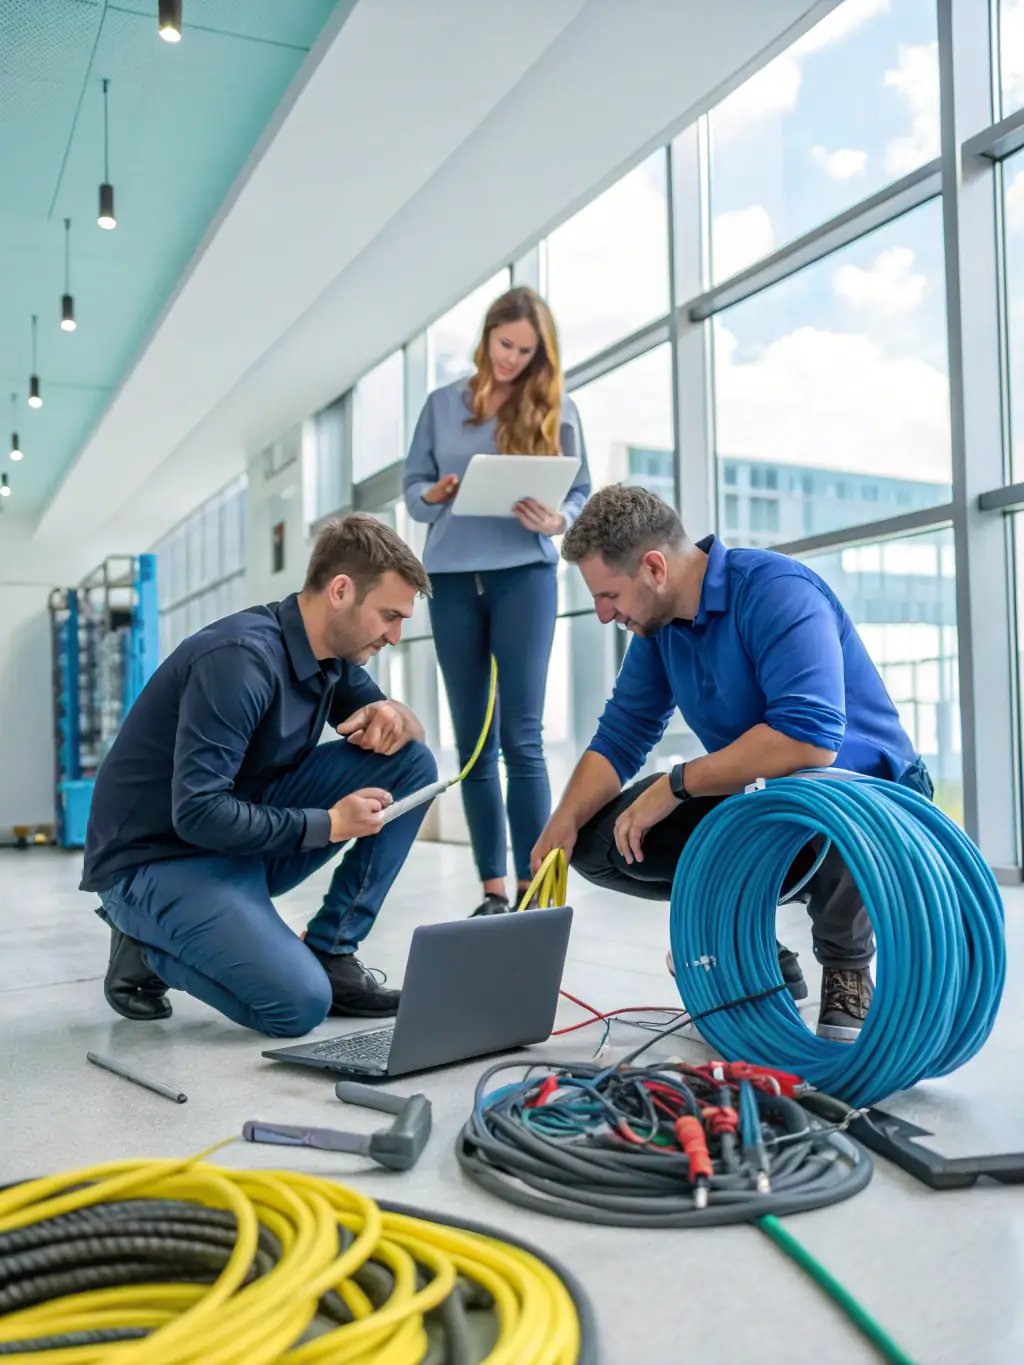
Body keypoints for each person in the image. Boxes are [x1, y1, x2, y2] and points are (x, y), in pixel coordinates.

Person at [531, 485, 934, 1043]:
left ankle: (847, 966)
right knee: (601, 842)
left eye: (608, 594)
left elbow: (808, 740)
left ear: (653, 568)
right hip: (763, 793)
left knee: (832, 793)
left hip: (865, 790)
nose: (603, 614)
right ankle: (750, 945)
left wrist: (675, 785)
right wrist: (564, 822)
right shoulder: (657, 630)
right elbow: (621, 735)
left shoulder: (776, 591)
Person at [81, 514, 439, 1038]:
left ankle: (334, 950)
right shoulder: (239, 660)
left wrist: (396, 710)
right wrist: (331, 824)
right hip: (156, 859)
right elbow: (199, 812)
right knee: (297, 1005)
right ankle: (145, 948)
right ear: (341, 590)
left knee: (412, 763)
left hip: (231, 840)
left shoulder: (329, 658)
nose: (395, 635)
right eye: (389, 615)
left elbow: (411, 738)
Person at [404, 286, 590, 917]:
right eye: (505, 344)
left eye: (525, 350)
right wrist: (436, 494)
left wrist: (555, 520)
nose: (512, 359)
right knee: (472, 743)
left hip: (524, 578)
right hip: (452, 578)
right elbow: (411, 492)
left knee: (523, 738)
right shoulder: (439, 405)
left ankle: (535, 889)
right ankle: (492, 891)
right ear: (486, 337)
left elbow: (581, 495)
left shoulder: (556, 407)